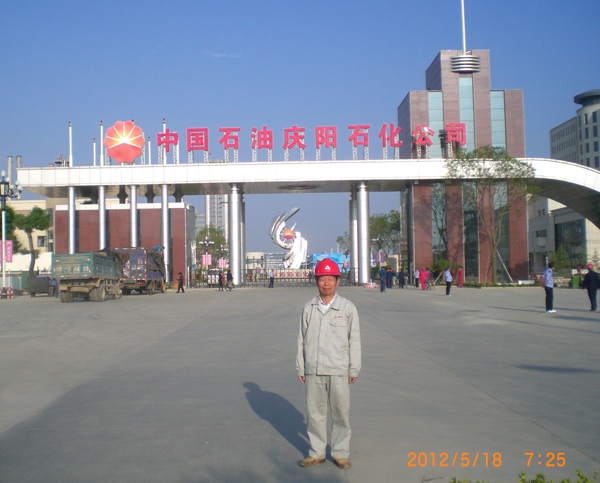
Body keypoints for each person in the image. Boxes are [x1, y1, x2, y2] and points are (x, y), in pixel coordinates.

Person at [296, 258, 361, 470]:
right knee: (314, 414)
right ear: (316, 281)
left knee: (340, 413)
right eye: (322, 279)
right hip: (314, 369)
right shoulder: (309, 308)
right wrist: (301, 366)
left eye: (330, 279)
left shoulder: (347, 308)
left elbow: (354, 339)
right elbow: (301, 339)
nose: (326, 283)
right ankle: (316, 453)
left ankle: (341, 453)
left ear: (337, 281)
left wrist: (354, 367)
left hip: (338, 369)